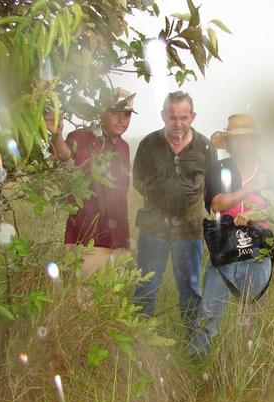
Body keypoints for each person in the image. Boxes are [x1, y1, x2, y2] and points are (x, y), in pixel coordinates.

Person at [189, 113, 274, 356]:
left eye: (246, 139)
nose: (242, 144)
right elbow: (217, 204)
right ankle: (196, 361)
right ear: (229, 144)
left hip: (258, 252)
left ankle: (243, 365)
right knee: (210, 311)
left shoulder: (269, 170)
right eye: (236, 140)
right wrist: (249, 188)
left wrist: (253, 214)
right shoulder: (219, 169)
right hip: (225, 248)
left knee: (252, 313)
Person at [132, 91, 217, 331]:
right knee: (145, 287)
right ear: (163, 116)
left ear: (193, 117)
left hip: (189, 232)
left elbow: (211, 187)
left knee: (190, 290)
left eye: (183, 117)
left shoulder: (206, 147)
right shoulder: (149, 144)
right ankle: (139, 342)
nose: (177, 123)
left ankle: (192, 344)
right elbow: (138, 181)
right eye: (172, 117)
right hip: (153, 230)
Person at [46, 88, 136, 276]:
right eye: (116, 113)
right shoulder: (81, 137)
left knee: (112, 301)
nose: (122, 120)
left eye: (127, 115)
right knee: (85, 302)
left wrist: (125, 242)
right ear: (103, 113)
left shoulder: (124, 147)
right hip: (87, 238)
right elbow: (65, 156)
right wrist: (56, 135)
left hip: (118, 238)